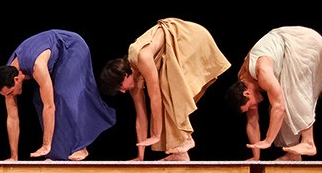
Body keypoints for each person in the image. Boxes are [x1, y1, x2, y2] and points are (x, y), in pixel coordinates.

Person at [98, 18, 231, 161]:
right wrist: (140, 156)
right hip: (178, 49)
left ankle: (185, 138)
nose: (123, 92)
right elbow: (141, 117)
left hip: (190, 38)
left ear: (125, 75)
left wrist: (156, 134)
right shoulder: (133, 83)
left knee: (168, 90)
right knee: (167, 92)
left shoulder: (142, 57)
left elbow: (156, 98)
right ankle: (180, 151)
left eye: (120, 87)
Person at [0, 29, 116, 161]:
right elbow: (12, 118)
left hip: (71, 47)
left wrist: (46, 145)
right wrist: (14, 156)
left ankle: (81, 146)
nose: (10, 96)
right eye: (6, 95)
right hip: (54, 58)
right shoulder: (7, 75)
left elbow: (50, 107)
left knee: (64, 95)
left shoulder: (37, 66)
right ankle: (56, 155)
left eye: (10, 93)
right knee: (39, 101)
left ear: (17, 80)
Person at [224, 26, 322, 160]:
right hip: (287, 47)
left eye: (250, 106)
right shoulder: (244, 81)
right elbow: (252, 123)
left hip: (302, 42)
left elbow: (279, 107)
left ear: (246, 94)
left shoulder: (262, 72)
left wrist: (268, 141)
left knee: (288, 96)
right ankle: (293, 154)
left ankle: (308, 143)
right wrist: (256, 157)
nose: (253, 108)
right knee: (279, 101)